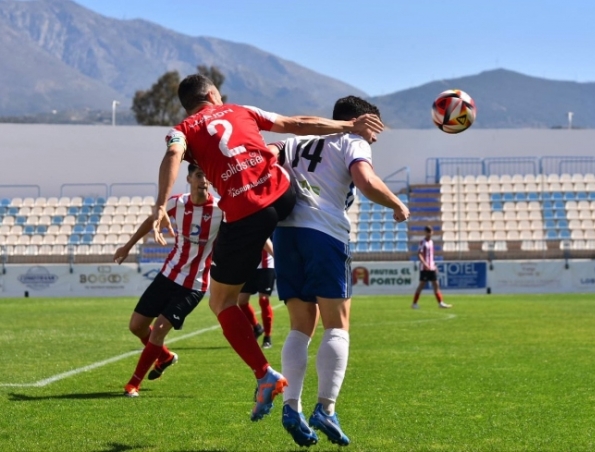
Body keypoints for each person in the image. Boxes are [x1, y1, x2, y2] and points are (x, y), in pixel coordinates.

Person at [150, 74, 384, 421]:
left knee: (221, 301)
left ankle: (264, 375)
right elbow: (297, 123)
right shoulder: (240, 109)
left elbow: (173, 152)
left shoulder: (181, 129)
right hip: (284, 195)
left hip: (246, 213)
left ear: (187, 104)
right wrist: (348, 126)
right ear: (214, 94)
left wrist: (159, 204)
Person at [269, 95, 410, 447]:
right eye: (375, 127)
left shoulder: (296, 141)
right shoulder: (354, 140)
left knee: (300, 327)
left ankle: (290, 407)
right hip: (325, 233)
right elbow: (364, 180)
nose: (376, 137)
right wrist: (396, 203)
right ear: (361, 120)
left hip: (285, 235)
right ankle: (325, 409)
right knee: (337, 325)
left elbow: (266, 155)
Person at [114, 164, 222, 397]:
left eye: (207, 176)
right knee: (136, 326)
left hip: (193, 285)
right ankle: (165, 356)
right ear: (189, 178)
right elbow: (152, 220)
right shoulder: (176, 203)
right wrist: (128, 246)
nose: (204, 180)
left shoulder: (221, 210)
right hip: (168, 275)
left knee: (159, 329)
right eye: (200, 175)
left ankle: (133, 383)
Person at [238, 239, 276, 349]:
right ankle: (257, 327)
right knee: (242, 301)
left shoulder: (264, 222)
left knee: (264, 300)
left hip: (266, 265)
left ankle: (267, 337)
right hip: (249, 266)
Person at [412, 226, 452, 309]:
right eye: (428, 231)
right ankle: (414, 303)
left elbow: (431, 256)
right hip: (425, 268)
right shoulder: (422, 242)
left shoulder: (431, 242)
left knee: (436, 284)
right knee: (421, 285)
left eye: (431, 231)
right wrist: (425, 264)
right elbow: (419, 254)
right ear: (425, 232)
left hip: (431, 267)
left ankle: (440, 303)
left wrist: (434, 265)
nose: (430, 233)